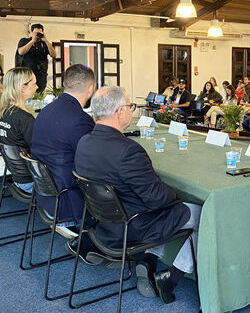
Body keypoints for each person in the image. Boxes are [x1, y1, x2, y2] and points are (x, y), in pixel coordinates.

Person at [74, 87, 200, 303]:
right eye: (130, 106)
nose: (131, 111)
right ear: (119, 111)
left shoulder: (83, 142)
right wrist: (176, 194)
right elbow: (158, 199)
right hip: (134, 226)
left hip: (106, 223)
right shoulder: (128, 151)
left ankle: (150, 259)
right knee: (204, 214)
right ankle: (171, 277)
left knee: (164, 207)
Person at [31, 64, 96, 238]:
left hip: (46, 195)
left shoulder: (45, 111)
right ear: (91, 88)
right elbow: (94, 162)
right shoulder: (80, 119)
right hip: (68, 204)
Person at [0, 67, 38, 193]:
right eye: (34, 83)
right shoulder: (25, 119)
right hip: (30, 182)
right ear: (23, 87)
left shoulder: (4, 112)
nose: (37, 87)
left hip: (16, 177)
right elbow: (39, 152)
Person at [16, 23, 57, 93]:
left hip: (41, 75)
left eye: (39, 33)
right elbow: (21, 52)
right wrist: (32, 41)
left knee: (39, 95)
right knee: (26, 94)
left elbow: (54, 55)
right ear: (31, 33)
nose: (38, 36)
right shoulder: (25, 41)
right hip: (27, 76)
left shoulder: (44, 43)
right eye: (36, 33)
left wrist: (46, 40)